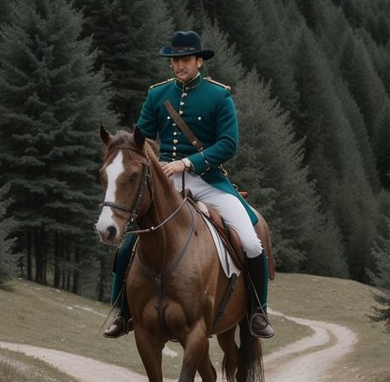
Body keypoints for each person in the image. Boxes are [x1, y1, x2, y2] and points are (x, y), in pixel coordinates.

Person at [103, 30, 275, 340]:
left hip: (208, 180)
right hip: (166, 183)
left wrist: (189, 162)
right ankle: (123, 314)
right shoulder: (157, 95)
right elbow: (140, 141)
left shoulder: (219, 95)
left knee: (251, 242)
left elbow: (228, 144)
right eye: (175, 60)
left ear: (199, 61)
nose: (179, 65)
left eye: (185, 60)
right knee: (128, 245)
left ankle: (258, 312)